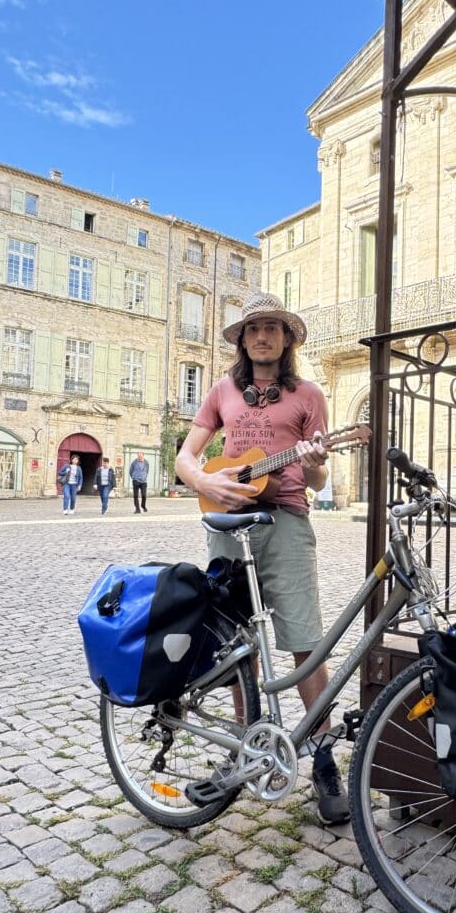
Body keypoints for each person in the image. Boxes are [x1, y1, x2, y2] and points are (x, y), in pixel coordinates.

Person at [175, 291, 349, 826]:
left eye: (272, 328)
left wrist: (316, 463)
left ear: (287, 338)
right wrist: (205, 480)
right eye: (253, 329)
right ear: (243, 340)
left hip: (287, 522)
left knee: (304, 641)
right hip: (228, 526)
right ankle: (243, 746)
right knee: (234, 646)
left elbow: (318, 479)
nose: (262, 336)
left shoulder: (309, 395)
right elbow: (186, 455)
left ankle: (322, 757)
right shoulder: (222, 390)